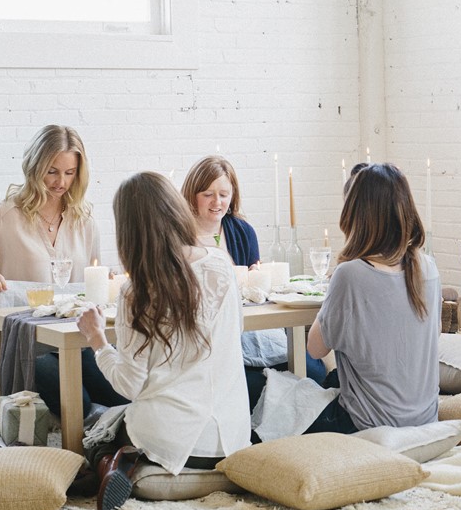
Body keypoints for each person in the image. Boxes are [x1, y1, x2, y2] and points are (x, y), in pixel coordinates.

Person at [77, 171, 251, 510]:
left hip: (172, 441)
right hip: (230, 440)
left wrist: (97, 339)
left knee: (101, 430)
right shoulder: (221, 264)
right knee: (119, 417)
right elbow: (237, 332)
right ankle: (120, 463)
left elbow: (129, 384)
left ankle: (110, 464)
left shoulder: (136, 292)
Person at [0, 125, 127, 417]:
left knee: (122, 395)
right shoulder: (3, 217)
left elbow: (93, 285)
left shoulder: (85, 221)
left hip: (77, 341)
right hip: (29, 346)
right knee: (77, 405)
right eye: (52, 171)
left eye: (70, 173)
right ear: (34, 168)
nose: (60, 182)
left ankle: (108, 438)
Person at [304, 162, 440, 434]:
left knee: (272, 394)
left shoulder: (349, 275)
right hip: (425, 423)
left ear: (355, 212)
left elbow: (315, 349)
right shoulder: (428, 267)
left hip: (365, 425)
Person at [180, 155, 326, 407]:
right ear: (192, 194)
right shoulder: (178, 235)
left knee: (314, 372)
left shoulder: (242, 231)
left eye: (224, 194)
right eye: (208, 194)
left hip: (254, 328)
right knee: (250, 386)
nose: (217, 202)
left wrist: (257, 279)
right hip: (212, 338)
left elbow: (255, 288)